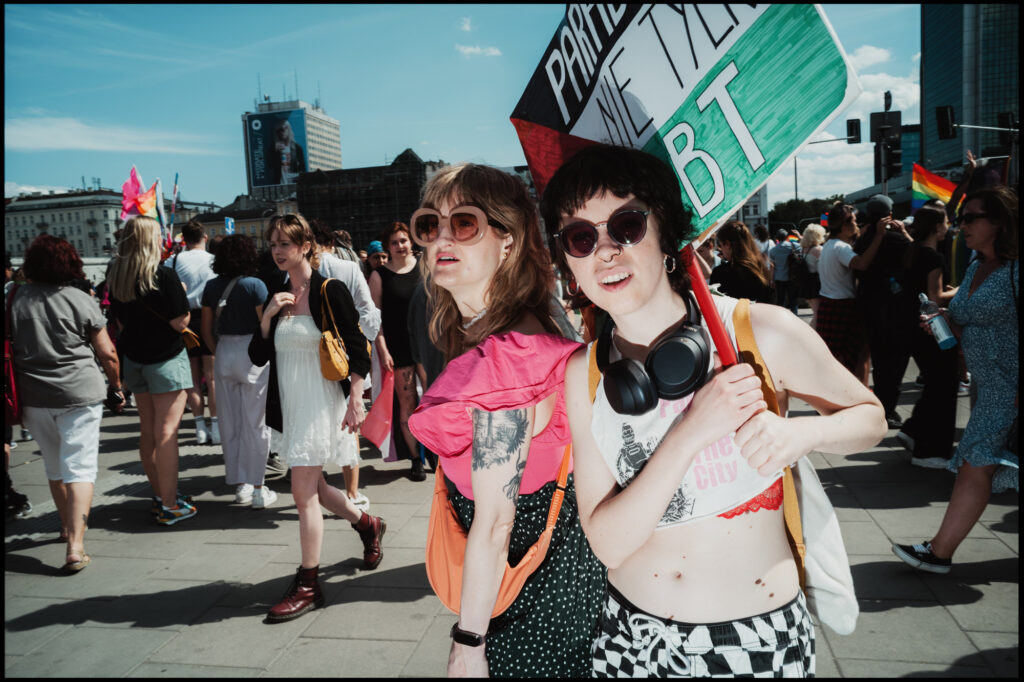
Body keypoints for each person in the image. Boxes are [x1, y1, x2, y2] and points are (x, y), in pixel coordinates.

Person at [541, 144, 887, 677]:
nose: (605, 251)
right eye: (581, 237)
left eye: (626, 225)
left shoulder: (757, 331)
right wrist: (689, 433)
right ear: (568, 261)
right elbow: (607, 543)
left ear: (665, 235)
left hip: (753, 640)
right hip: (626, 637)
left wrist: (802, 436)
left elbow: (871, 419)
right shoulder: (584, 372)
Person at [405, 163, 605, 677]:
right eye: (430, 225)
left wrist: (467, 642)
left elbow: (495, 524)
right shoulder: (522, 332)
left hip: (524, 614)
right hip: (557, 592)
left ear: (508, 240)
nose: (441, 238)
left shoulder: (505, 365)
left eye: (464, 223)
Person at [248, 213, 385, 623]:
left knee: (302, 492)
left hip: (323, 403)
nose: (277, 251)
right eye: (273, 243)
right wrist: (269, 316)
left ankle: (309, 583)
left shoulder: (330, 290)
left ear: (306, 245)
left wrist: (357, 399)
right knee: (318, 487)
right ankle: (368, 523)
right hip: (292, 406)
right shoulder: (278, 294)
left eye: (285, 243)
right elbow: (258, 356)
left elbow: (359, 349)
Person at [893, 185, 1018, 574]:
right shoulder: (975, 265)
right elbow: (973, 323)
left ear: (998, 221)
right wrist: (944, 324)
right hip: (990, 386)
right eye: (960, 218)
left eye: (970, 217)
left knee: (976, 463)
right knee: (977, 463)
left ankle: (939, 552)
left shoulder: (1016, 271)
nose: (961, 225)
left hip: (1010, 388)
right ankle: (938, 551)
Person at [9, 236, 122, 570]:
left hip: (33, 396)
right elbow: (107, 352)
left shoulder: (13, 298)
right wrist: (116, 386)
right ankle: (75, 545)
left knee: (54, 465)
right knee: (81, 466)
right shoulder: (79, 299)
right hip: (79, 393)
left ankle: (64, 525)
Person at [107, 216, 196, 526]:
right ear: (151, 240)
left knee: (148, 431)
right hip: (165, 359)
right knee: (167, 432)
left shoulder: (115, 274)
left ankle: (161, 495)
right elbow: (179, 322)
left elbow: (118, 323)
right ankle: (171, 505)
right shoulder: (163, 274)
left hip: (134, 359)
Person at [199, 235, 276, 509]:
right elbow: (264, 323)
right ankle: (258, 486)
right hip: (251, 351)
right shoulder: (255, 285)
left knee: (230, 421)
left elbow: (205, 328)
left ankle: (239, 483)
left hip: (223, 352)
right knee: (256, 423)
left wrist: (218, 348)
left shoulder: (211, 286)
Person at [312, 218, 382, 510]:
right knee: (349, 422)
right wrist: (361, 340)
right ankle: (352, 494)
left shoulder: (297, 273)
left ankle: (316, 491)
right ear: (330, 243)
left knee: (313, 422)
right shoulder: (349, 268)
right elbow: (368, 311)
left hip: (311, 356)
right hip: (344, 356)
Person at [891, 203, 961, 470]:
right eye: (945, 221)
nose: (949, 226)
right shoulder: (933, 257)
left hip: (912, 326)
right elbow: (935, 297)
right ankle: (929, 449)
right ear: (936, 226)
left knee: (935, 382)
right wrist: (962, 290)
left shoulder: (914, 252)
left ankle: (913, 430)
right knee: (943, 384)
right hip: (932, 328)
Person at [368, 222, 425, 481]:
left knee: (437, 399)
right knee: (408, 403)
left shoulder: (426, 267)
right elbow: (373, 318)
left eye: (403, 240)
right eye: (394, 242)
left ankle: (440, 452)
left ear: (411, 241)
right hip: (398, 348)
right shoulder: (380, 276)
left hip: (427, 344)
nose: (400, 246)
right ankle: (415, 459)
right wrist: (382, 349)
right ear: (387, 247)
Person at [854, 194, 915, 429]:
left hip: (869, 308)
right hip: (896, 309)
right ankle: (888, 410)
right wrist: (905, 233)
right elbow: (920, 256)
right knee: (896, 363)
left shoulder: (863, 240)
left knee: (879, 361)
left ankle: (881, 406)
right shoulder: (897, 239)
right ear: (890, 214)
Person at [816, 202, 887, 385]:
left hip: (828, 304)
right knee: (856, 355)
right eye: (854, 221)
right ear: (845, 225)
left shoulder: (829, 246)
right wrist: (879, 235)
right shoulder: (841, 248)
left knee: (833, 357)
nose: (857, 225)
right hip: (843, 307)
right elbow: (862, 263)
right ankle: (857, 396)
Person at [166, 219, 219, 445]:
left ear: (184, 240)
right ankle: (216, 426)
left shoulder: (174, 260)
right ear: (205, 238)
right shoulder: (214, 260)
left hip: (184, 319)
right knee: (213, 376)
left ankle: (199, 426)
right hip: (211, 317)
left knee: (192, 377)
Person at [708, 220, 772, 303]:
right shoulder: (761, 268)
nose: (721, 249)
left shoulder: (720, 273)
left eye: (721, 245)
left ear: (728, 244)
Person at [800, 223, 826, 328]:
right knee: (817, 316)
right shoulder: (818, 250)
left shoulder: (804, 250)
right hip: (816, 284)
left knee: (815, 313)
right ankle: (812, 338)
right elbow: (821, 270)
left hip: (807, 284)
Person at [768, 229, 800, 314]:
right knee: (793, 300)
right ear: (787, 237)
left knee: (780, 301)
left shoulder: (773, 250)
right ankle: (795, 317)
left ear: (777, 238)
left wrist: (771, 280)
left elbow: (772, 267)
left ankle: (781, 319)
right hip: (792, 278)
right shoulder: (794, 246)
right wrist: (798, 236)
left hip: (779, 278)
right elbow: (804, 244)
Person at [272, 118, 306, 185]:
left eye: (283, 129)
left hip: (295, 184)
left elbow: (303, 169)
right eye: (278, 131)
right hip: (279, 184)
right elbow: (269, 166)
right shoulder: (274, 148)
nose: (281, 132)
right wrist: (274, 151)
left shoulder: (297, 148)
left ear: (288, 129)